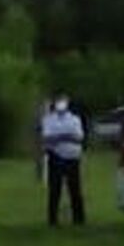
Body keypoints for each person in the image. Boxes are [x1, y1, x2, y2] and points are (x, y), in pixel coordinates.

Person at [39, 93, 86, 226]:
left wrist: (59, 137)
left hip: (72, 157)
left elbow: (78, 138)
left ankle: (79, 219)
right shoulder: (48, 119)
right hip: (56, 156)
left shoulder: (74, 119)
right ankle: (52, 220)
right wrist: (66, 136)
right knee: (55, 189)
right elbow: (47, 138)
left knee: (75, 189)